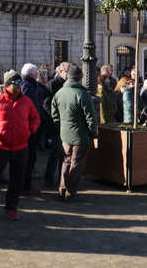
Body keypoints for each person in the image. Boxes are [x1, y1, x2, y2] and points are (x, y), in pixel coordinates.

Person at [0, 71, 40, 221]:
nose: (19, 87)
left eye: (20, 84)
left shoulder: (26, 102)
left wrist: (29, 131)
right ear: (7, 85)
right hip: (1, 147)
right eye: (15, 84)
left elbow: (35, 118)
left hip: (21, 147)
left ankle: (11, 208)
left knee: (17, 180)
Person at [51, 65, 98, 201]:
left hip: (65, 135)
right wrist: (93, 134)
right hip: (80, 136)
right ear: (80, 78)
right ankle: (70, 193)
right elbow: (91, 118)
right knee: (76, 164)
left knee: (66, 162)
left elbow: (55, 116)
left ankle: (62, 190)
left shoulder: (59, 93)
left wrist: (62, 128)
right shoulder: (82, 94)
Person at [21, 63, 49, 196]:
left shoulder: (32, 85)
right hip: (29, 128)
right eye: (37, 73)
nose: (38, 74)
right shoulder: (27, 85)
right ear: (32, 74)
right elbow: (28, 106)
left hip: (33, 126)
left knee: (31, 157)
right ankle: (25, 186)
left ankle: (26, 184)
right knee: (28, 157)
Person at [43, 62, 69, 187]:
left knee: (62, 153)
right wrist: (56, 119)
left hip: (64, 123)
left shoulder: (66, 84)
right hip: (55, 124)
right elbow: (46, 104)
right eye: (67, 72)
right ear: (61, 71)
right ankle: (49, 178)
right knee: (55, 152)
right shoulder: (52, 84)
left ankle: (61, 178)